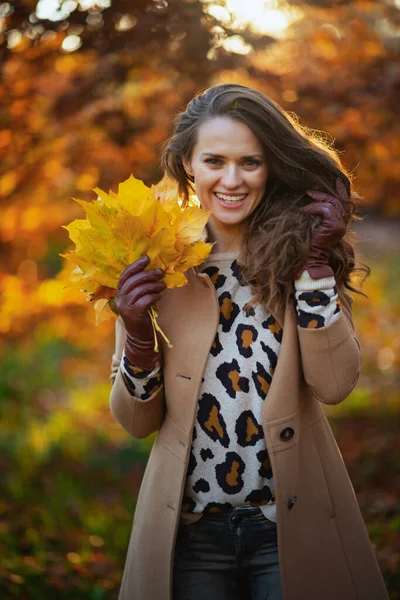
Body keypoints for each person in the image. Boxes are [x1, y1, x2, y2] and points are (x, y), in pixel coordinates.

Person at [109, 84, 389, 600]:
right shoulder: (156, 264)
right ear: (187, 163)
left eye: (250, 162)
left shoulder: (302, 253)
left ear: (271, 167)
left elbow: (334, 384)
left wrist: (313, 266)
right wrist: (138, 339)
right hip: (190, 535)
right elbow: (135, 421)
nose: (232, 180)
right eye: (215, 160)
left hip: (289, 529)